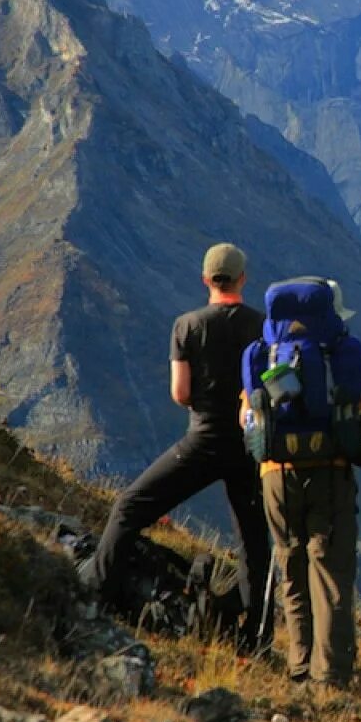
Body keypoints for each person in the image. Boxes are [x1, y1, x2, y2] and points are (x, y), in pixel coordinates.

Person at [78, 243, 271, 651]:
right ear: (242, 280)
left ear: (205, 279)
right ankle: (256, 637)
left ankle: (98, 593)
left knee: (130, 507)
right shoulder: (262, 325)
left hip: (202, 440)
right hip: (248, 446)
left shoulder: (187, 325)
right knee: (253, 541)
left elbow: (180, 393)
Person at [241, 278, 361, 689]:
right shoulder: (344, 354)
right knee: (330, 569)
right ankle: (331, 676)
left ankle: (298, 667)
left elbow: (248, 422)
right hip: (330, 473)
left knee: (290, 562)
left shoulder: (262, 354)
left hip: (276, 476)